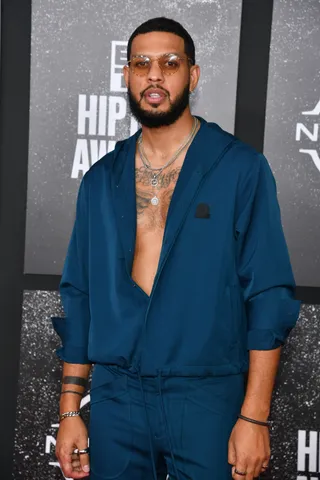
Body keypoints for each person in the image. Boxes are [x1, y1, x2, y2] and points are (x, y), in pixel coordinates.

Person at [52, 17, 301, 480]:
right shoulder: (101, 180)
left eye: (170, 63)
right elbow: (80, 294)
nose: (154, 75)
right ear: (126, 75)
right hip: (117, 396)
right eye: (141, 63)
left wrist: (254, 416)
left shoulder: (240, 168)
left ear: (193, 75)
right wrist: (70, 409)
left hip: (206, 395)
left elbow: (268, 294)